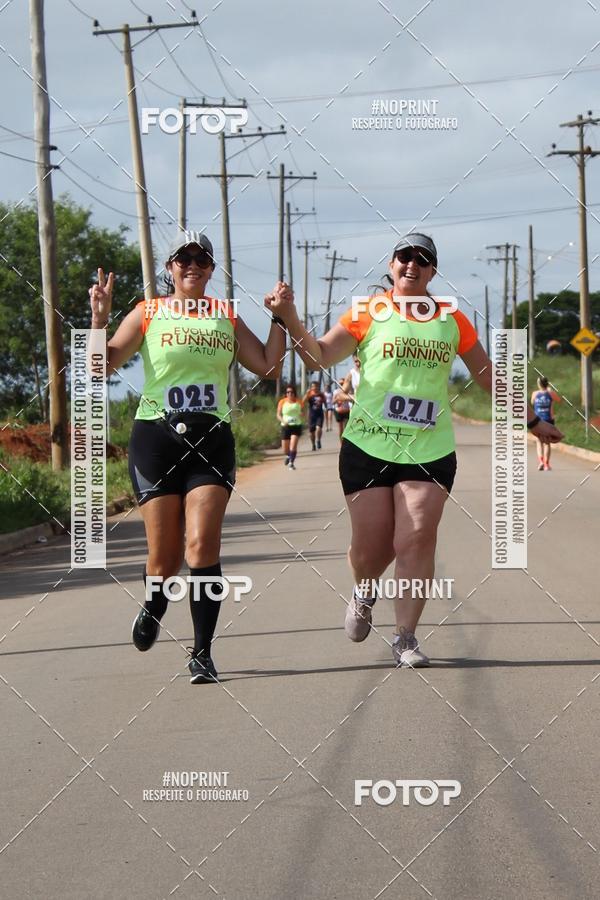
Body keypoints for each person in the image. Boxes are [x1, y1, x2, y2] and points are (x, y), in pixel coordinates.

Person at [279, 233, 564, 667]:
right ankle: (364, 589)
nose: (412, 264)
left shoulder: (451, 319)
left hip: (428, 449)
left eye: (423, 260)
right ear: (392, 264)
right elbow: (317, 358)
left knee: (415, 537)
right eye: (404, 257)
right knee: (371, 550)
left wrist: (530, 420)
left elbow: (487, 375)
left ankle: (405, 637)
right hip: (368, 447)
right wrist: (289, 318)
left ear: (432, 271)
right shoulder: (366, 313)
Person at [89, 230, 292, 683]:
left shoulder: (225, 316)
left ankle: (202, 651)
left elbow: (268, 366)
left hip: (211, 440)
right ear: (170, 268)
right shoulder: (148, 312)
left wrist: (279, 320)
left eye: (202, 259)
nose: (193, 265)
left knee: (201, 545)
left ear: (211, 269)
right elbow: (100, 365)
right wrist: (99, 320)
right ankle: (156, 602)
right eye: (184, 258)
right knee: (162, 558)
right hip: (156, 439)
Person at [531, 376, 560, 470]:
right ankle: (547, 464)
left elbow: (532, 403)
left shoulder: (535, 394)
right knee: (547, 442)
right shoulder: (551, 393)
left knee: (539, 441)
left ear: (539, 384)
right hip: (548, 420)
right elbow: (559, 400)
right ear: (547, 383)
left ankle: (541, 462)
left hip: (538, 421)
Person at [277, 385, 303, 469]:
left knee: (293, 445)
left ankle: (291, 463)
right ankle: (288, 456)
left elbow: (303, 412)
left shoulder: (299, 402)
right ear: (286, 393)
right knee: (285, 449)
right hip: (285, 426)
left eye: (291, 392)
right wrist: (283, 421)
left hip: (296, 426)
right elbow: (278, 414)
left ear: (294, 393)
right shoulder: (282, 402)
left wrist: (302, 415)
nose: (290, 394)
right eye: (288, 392)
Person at [303, 380, 327, 449]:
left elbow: (325, 402)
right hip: (311, 415)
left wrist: (326, 408)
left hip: (319, 414)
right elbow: (303, 402)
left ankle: (318, 440)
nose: (315, 388)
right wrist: (307, 394)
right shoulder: (309, 394)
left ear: (318, 387)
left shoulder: (321, 394)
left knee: (319, 428)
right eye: (313, 386)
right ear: (311, 387)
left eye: (316, 386)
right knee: (311, 432)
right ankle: (313, 444)